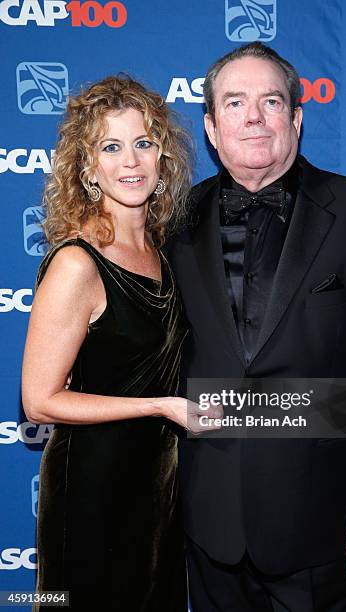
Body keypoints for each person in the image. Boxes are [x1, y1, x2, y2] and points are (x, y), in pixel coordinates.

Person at [166, 43, 346, 611]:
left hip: (320, 526)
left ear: (296, 117)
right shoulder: (172, 224)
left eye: (270, 101)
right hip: (209, 525)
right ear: (210, 125)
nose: (252, 116)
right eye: (234, 102)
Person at [21, 75, 215, 612]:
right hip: (92, 485)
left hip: (157, 485)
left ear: (163, 158)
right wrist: (158, 406)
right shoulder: (76, 263)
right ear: (88, 167)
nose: (130, 161)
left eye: (143, 143)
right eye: (111, 146)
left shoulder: (164, 248)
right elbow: (39, 400)